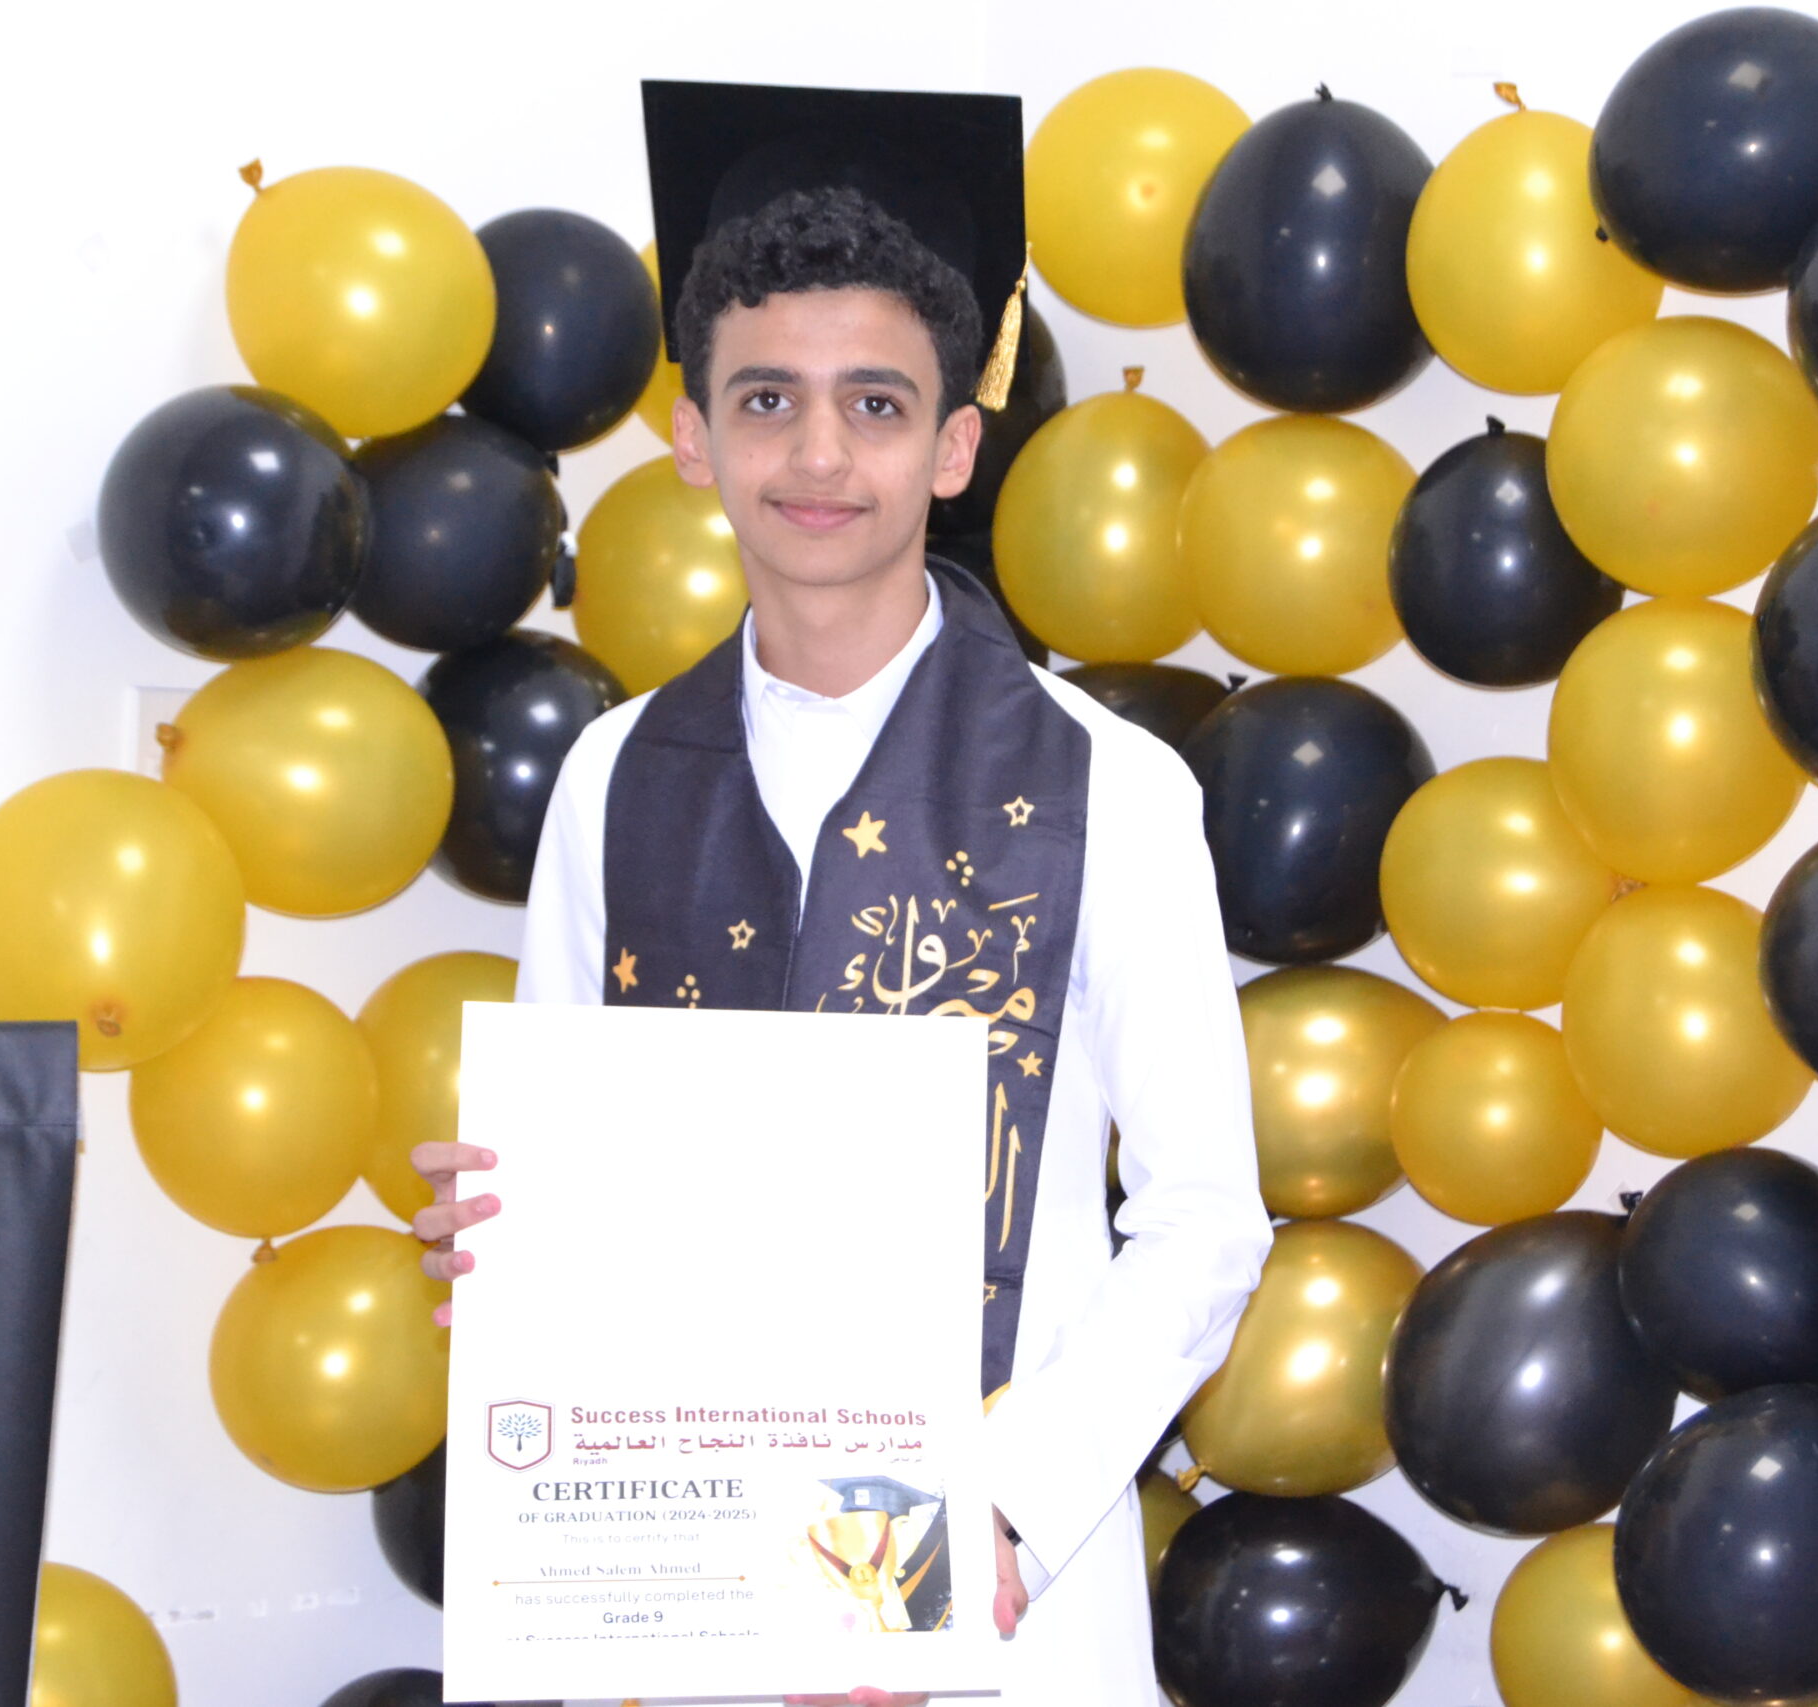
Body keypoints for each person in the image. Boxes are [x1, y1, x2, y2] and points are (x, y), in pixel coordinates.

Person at [412, 81, 1269, 1707]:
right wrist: (510, 1241)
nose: (818, 455)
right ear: (693, 438)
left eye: (875, 405)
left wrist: (994, 1519)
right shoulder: (612, 778)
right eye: (767, 400)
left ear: (954, 446)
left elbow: (1203, 1223)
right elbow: (585, 1190)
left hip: (1004, 1602)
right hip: (685, 1606)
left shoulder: (1112, 788)